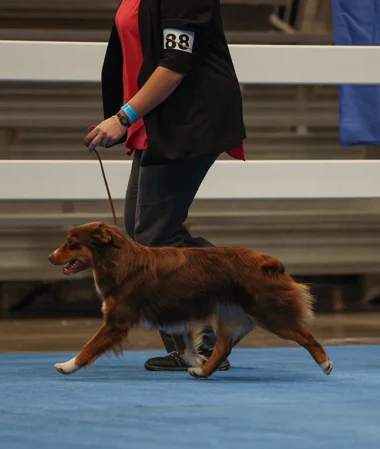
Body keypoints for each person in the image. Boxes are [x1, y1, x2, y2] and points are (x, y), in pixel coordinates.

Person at [84, 0, 255, 371]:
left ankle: (235, 308)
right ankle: (195, 342)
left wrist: (123, 115)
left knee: (154, 235)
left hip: (190, 120)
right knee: (140, 236)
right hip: (156, 122)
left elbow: (175, 65)